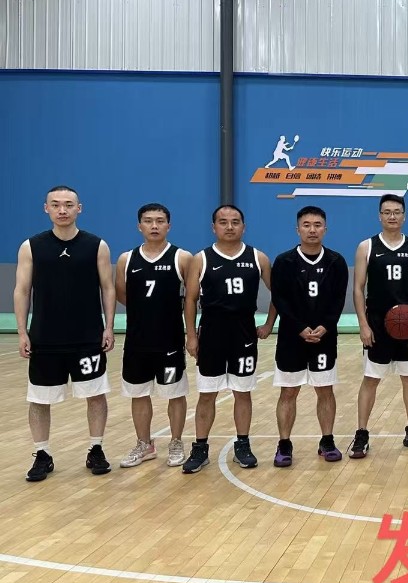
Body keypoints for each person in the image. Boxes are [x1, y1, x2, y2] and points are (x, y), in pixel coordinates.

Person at [15, 185, 116, 481]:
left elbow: (108, 288)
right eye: (56, 204)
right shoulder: (31, 246)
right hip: (45, 338)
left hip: (87, 338)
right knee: (39, 399)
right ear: (46, 208)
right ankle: (42, 454)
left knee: (95, 395)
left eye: (69, 205)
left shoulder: (97, 245)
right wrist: (22, 332)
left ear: (79, 209)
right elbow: (22, 290)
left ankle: (96, 449)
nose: (62, 210)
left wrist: (109, 326)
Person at [181, 205, 272, 474]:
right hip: (212, 333)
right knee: (207, 394)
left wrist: (269, 324)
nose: (229, 226)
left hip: (244, 334)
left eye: (235, 222)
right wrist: (191, 335)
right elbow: (190, 300)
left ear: (244, 226)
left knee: (242, 392)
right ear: (214, 227)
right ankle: (200, 448)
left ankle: (242, 445)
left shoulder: (258, 257)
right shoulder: (201, 258)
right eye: (223, 222)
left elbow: (280, 293)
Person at [349, 194, 408, 458]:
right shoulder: (366, 247)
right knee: (371, 379)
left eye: (397, 212)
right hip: (377, 325)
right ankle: (361, 434)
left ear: (404, 216)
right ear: (380, 216)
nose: (392, 216)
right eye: (387, 212)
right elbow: (358, 288)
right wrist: (363, 324)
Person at [265, 206, 349, 467]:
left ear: (325, 229)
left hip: (325, 338)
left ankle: (327, 441)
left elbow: (338, 299)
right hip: (291, 338)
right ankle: (284, 444)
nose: (312, 230)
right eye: (307, 225)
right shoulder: (284, 261)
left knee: (325, 390)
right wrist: (299, 327)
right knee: (289, 391)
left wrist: (326, 325)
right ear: (298, 229)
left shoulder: (336, 261)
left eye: (317, 225)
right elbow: (280, 299)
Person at [116, 203, 193, 468]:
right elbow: (122, 294)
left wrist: (191, 333)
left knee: (175, 393)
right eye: (148, 221)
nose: (154, 226)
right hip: (137, 341)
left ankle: (176, 441)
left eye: (160, 221)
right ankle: (144, 444)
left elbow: (192, 297)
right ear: (139, 226)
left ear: (168, 226)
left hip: (170, 340)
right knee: (138, 393)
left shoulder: (182, 257)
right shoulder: (126, 259)